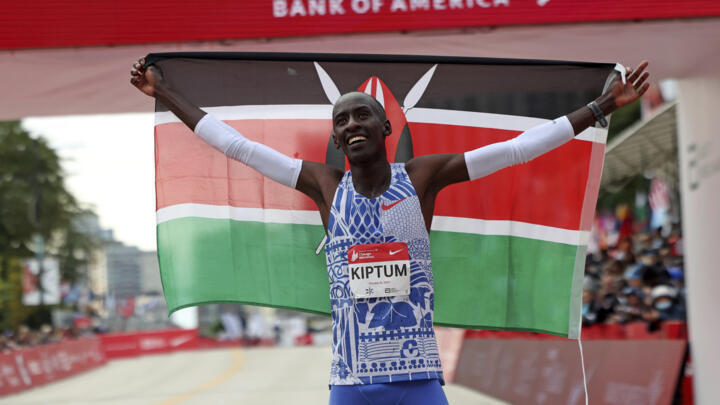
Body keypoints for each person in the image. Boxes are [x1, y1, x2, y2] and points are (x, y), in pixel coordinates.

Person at [131, 57, 649, 405]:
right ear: (335, 136)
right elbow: (235, 145)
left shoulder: (422, 178)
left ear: (386, 129)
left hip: (419, 381)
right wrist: (168, 95)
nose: (352, 124)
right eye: (343, 120)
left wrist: (602, 107)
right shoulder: (324, 185)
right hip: (353, 384)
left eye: (363, 116)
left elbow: (516, 149)